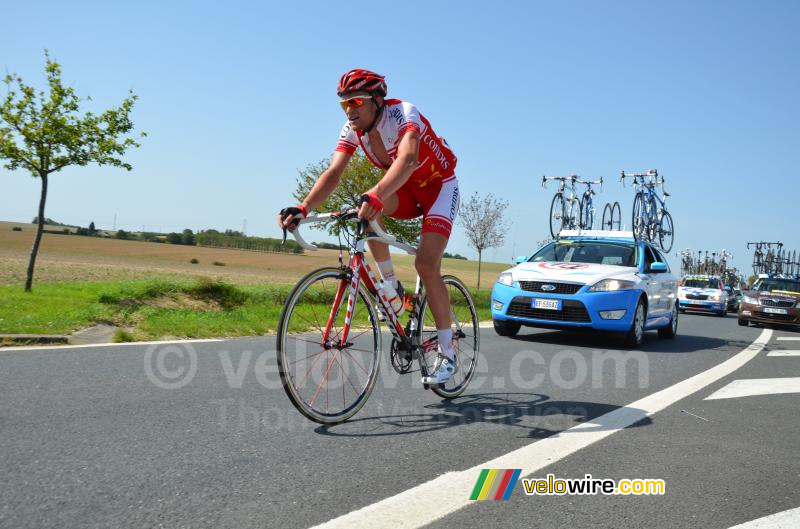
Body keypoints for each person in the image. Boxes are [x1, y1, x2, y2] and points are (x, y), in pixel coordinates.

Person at [278, 69, 461, 384]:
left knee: (426, 263)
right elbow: (334, 173)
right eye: (344, 105)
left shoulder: (403, 113)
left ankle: (448, 353)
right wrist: (303, 206)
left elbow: (407, 159)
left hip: (438, 189)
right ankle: (391, 289)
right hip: (404, 192)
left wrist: (377, 194)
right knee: (366, 211)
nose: (350, 110)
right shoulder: (352, 130)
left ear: (377, 100)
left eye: (356, 102)